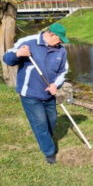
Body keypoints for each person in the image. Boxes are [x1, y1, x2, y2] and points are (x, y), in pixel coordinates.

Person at [3, 23, 69, 165]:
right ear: (51, 34)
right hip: (30, 94)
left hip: (49, 94)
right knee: (40, 124)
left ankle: (45, 139)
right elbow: (7, 58)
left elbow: (63, 71)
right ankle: (49, 152)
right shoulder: (28, 42)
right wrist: (18, 54)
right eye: (60, 39)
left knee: (52, 121)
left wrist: (55, 85)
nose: (61, 43)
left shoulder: (61, 51)